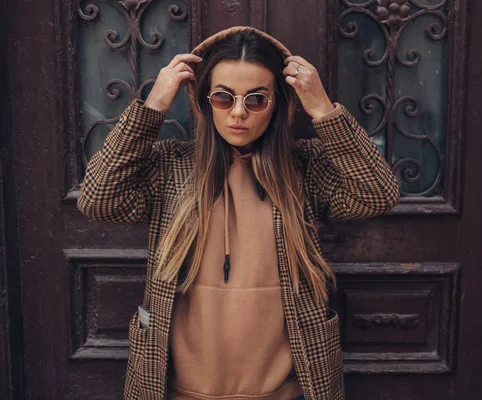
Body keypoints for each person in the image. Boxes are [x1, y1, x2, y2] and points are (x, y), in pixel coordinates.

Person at [77, 26, 399, 400]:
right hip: (180, 391)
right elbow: (98, 199)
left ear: (277, 103)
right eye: (223, 98)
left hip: (289, 390)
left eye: (257, 99)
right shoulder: (171, 167)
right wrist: (151, 109)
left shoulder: (305, 168)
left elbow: (378, 193)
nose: (239, 113)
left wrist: (322, 108)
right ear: (203, 101)